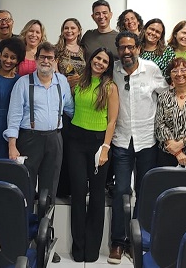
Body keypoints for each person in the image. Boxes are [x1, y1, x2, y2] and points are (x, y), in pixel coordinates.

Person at [109, 31, 167, 264]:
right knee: (121, 191)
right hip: (121, 140)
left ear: (138, 48)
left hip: (147, 140)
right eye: (122, 47)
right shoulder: (112, 70)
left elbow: (166, 96)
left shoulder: (151, 69)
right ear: (118, 50)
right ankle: (117, 241)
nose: (126, 51)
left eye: (130, 47)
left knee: (144, 191)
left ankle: (137, 241)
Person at [5, 41, 74, 201]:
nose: (46, 61)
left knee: (50, 187)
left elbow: (70, 108)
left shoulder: (62, 82)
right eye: (42, 57)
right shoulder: (23, 83)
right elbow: (14, 115)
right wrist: (12, 145)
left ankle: (46, 224)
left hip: (54, 138)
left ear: (55, 60)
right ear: (36, 59)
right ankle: (24, 223)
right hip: (29, 139)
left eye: (50, 58)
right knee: (25, 184)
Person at [68, 47, 118, 263]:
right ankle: (78, 248)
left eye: (105, 61)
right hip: (75, 142)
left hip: (99, 143)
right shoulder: (78, 82)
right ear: (90, 60)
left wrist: (106, 148)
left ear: (108, 66)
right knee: (78, 194)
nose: (100, 62)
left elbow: (112, 121)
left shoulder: (110, 87)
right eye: (97, 58)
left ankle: (92, 249)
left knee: (97, 196)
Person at [54, 17, 86, 198]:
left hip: (81, 103)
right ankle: (62, 189)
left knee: (77, 147)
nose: (69, 31)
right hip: (63, 102)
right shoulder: (57, 50)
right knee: (63, 147)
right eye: (66, 28)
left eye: (73, 28)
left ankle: (78, 187)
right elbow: (53, 74)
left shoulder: (84, 50)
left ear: (79, 30)